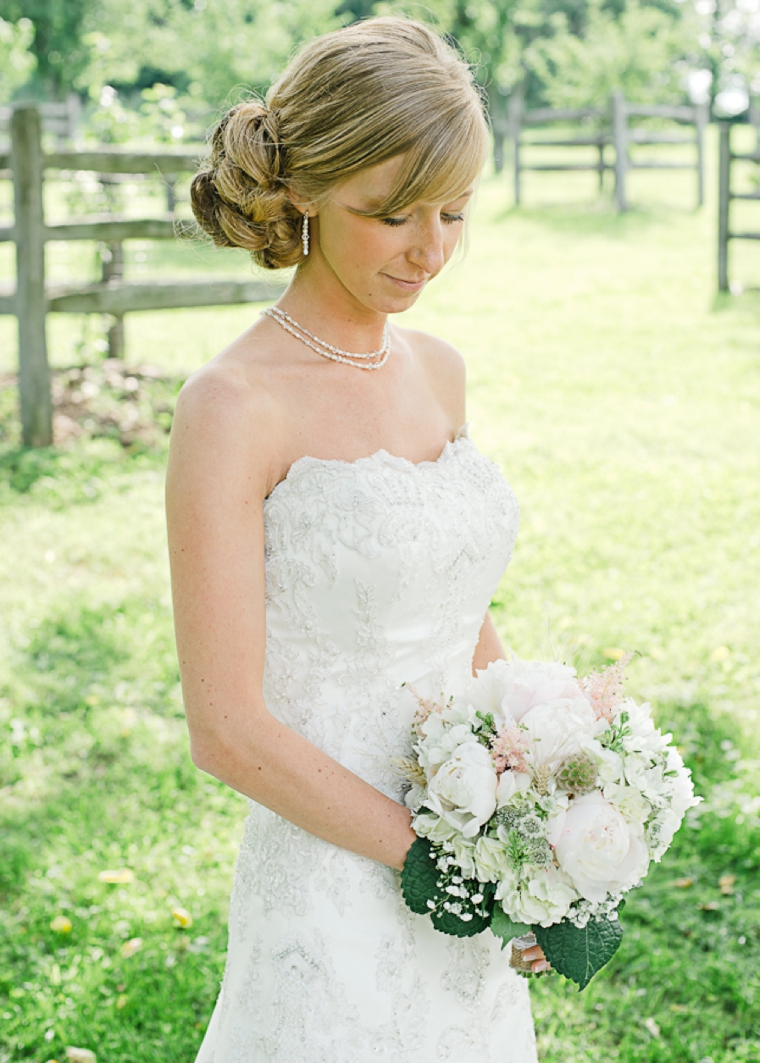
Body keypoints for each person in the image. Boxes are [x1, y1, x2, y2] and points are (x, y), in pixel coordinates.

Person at [166, 16, 548, 1061]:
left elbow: (458, 616)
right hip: (333, 891)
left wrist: (543, 814)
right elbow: (226, 727)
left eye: (455, 213)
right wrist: (439, 864)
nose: (430, 249)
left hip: (469, 851)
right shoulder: (232, 407)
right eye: (391, 214)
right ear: (302, 192)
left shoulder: (440, 371)